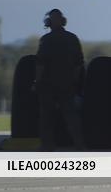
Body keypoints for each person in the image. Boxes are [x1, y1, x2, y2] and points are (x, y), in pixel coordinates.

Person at [35, 9, 86, 150]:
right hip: (67, 84)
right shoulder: (73, 38)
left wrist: (37, 82)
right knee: (71, 116)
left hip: (48, 85)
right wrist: (75, 81)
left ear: (48, 22)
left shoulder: (46, 40)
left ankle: (47, 146)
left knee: (46, 117)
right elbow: (79, 64)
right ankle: (80, 144)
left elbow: (41, 64)